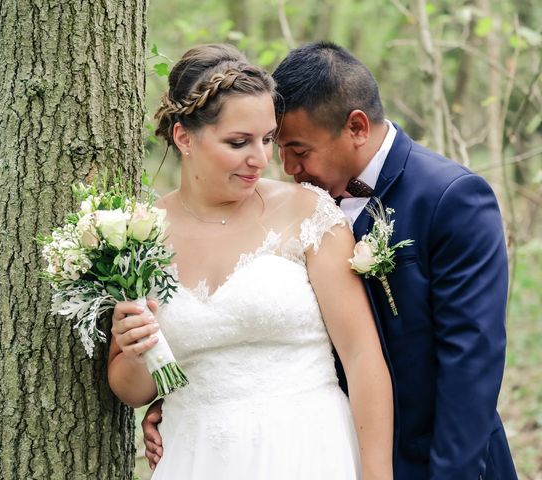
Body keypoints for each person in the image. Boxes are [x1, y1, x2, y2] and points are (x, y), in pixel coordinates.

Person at [142, 41, 519, 479]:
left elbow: (470, 365)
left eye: (298, 150)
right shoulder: (293, 206)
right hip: (323, 447)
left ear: (357, 127)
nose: (282, 166)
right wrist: (194, 400)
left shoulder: (451, 199)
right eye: (275, 145)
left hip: (439, 456)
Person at [108, 43, 393, 480]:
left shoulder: (309, 214)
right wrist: (132, 347)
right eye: (238, 142)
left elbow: (361, 357)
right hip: (197, 456)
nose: (261, 160)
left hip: (309, 452)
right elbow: (135, 389)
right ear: (184, 137)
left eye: (266, 139)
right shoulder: (139, 233)